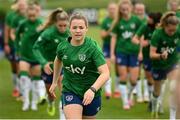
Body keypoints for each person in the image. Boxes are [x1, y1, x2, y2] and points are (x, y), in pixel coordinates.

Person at [49, 13, 109, 119]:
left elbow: (105, 73)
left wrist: (92, 90)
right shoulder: (63, 47)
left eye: (81, 27)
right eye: (74, 27)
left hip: (91, 93)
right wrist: (54, 82)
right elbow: (58, 60)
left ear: (86, 29)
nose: (78, 30)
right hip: (70, 90)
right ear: (69, 28)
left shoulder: (92, 47)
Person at [33, 8, 70, 116]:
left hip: (63, 66)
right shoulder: (48, 33)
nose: (63, 28)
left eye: (65, 25)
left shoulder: (69, 34)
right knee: (50, 93)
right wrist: (43, 62)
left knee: (65, 91)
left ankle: (63, 114)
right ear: (55, 23)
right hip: (48, 67)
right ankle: (50, 103)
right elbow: (35, 48)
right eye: (60, 26)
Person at [110, 0, 142, 110]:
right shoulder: (118, 22)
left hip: (134, 52)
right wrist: (112, 54)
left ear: (131, 8)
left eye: (126, 9)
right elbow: (113, 38)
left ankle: (128, 95)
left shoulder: (136, 20)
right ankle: (125, 102)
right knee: (123, 76)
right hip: (121, 52)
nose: (125, 11)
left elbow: (141, 35)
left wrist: (141, 49)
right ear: (120, 10)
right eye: (122, 9)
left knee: (133, 80)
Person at [15, 2, 45, 111]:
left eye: (34, 15)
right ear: (27, 14)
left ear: (37, 13)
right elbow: (17, 35)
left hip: (36, 56)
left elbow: (46, 39)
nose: (32, 17)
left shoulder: (41, 23)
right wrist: (17, 49)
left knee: (36, 81)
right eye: (30, 15)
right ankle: (26, 101)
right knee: (23, 77)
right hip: (25, 55)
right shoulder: (23, 23)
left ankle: (34, 103)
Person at [150, 11, 179, 119]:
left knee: (174, 87)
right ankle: (154, 108)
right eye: (170, 30)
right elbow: (151, 54)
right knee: (157, 91)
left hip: (172, 62)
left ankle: (172, 117)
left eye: (174, 30)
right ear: (165, 26)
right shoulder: (157, 34)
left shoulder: (177, 31)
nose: (172, 32)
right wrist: (161, 56)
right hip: (158, 64)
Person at [132, 12, 162, 111]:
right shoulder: (145, 26)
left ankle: (157, 101)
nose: (148, 19)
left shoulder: (160, 28)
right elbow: (134, 39)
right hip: (147, 57)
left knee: (158, 79)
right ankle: (151, 98)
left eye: (150, 18)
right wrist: (141, 42)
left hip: (158, 56)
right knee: (149, 77)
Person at [4, 0, 27, 98]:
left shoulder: (29, 15)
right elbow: (7, 30)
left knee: (21, 67)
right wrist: (6, 44)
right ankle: (16, 87)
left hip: (26, 47)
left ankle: (22, 91)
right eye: (20, 4)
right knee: (14, 67)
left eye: (24, 4)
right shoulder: (11, 16)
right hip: (13, 45)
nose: (22, 6)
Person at [100, 2, 118, 99]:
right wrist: (110, 30)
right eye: (110, 8)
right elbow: (102, 36)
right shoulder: (105, 21)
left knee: (119, 69)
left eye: (114, 8)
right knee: (107, 67)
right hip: (107, 46)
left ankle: (117, 90)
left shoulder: (120, 19)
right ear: (108, 10)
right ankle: (108, 91)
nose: (112, 10)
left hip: (119, 46)